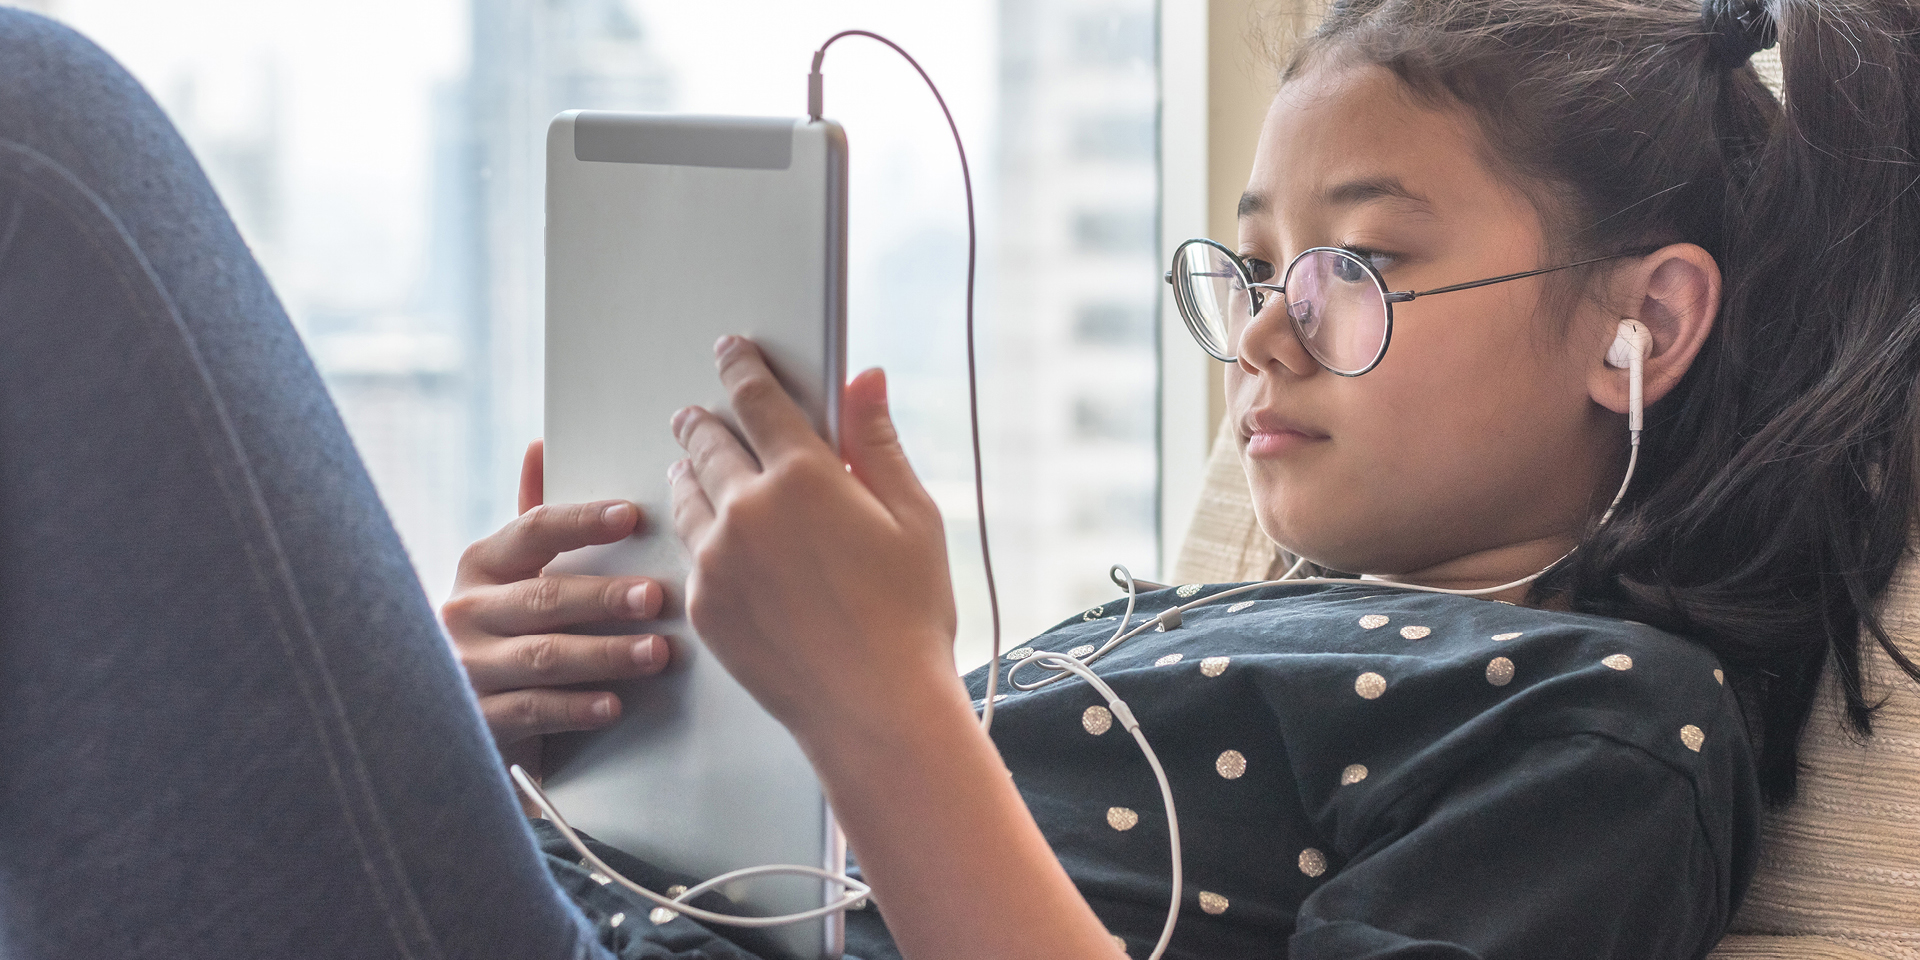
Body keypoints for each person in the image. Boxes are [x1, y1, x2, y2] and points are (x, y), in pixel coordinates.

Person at [2, 0, 1916, 957]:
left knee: (43, 143)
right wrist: (523, 719)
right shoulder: (1196, 617)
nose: (1261, 326)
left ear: (1639, 326)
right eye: (1252, 263)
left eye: (1359, 264)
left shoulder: (1604, 731)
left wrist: (886, 703)